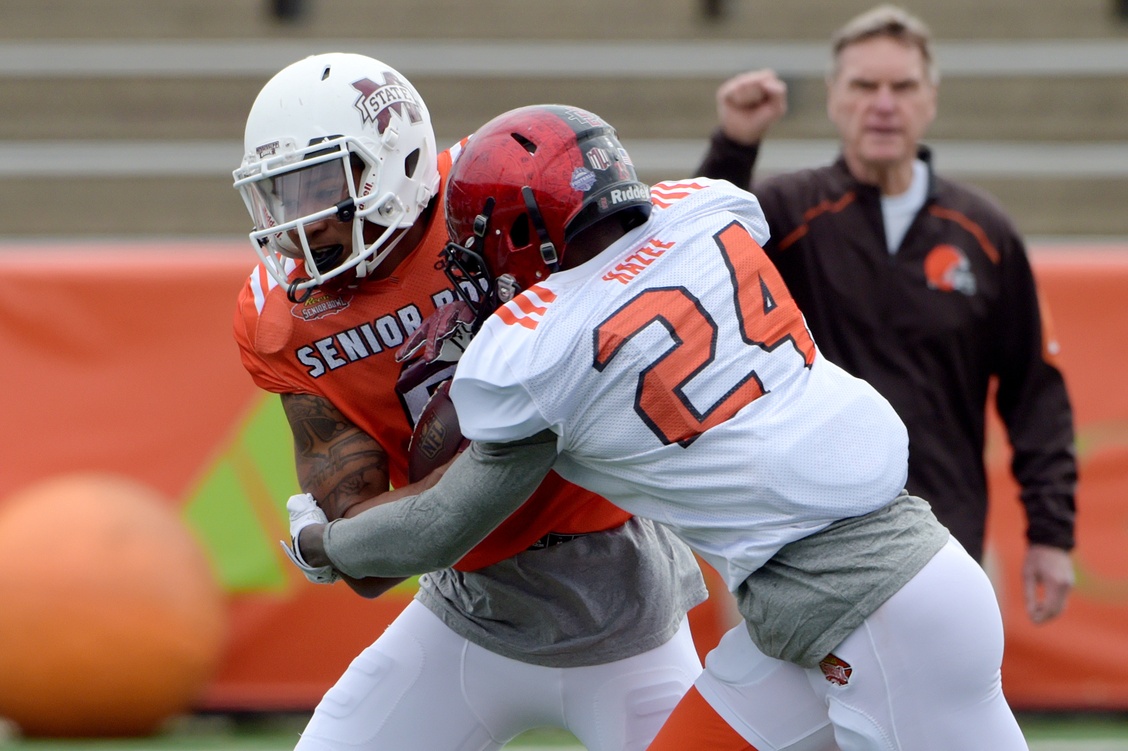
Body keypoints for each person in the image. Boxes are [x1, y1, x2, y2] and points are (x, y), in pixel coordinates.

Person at [286, 103, 1029, 750]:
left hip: (882, 618)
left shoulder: (549, 346)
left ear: (524, 236)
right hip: (825, 607)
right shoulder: (704, 210)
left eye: (480, 246)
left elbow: (441, 525)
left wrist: (323, 542)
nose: (473, 269)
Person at [230, 53, 708, 751]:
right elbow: (372, 564)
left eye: (318, 185)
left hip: (621, 603)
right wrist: (361, 529)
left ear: (392, 161)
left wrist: (341, 538)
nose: (299, 223)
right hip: (468, 612)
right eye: (279, 193)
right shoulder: (284, 317)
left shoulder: (502, 189)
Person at [696, 4, 1077, 625]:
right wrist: (734, 145)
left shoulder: (985, 233)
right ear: (833, 97)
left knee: (933, 720)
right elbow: (698, 266)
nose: (883, 103)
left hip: (943, 537)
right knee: (794, 720)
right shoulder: (785, 212)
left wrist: (1051, 533)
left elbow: (1035, 394)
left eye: (902, 86)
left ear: (930, 98)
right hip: (800, 540)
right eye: (864, 85)